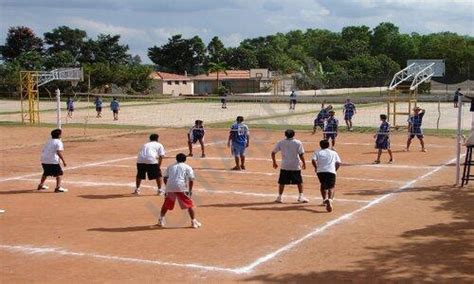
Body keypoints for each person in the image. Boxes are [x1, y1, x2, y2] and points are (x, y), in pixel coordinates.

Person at [158, 153, 201, 229]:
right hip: (181, 186)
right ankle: (193, 221)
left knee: (166, 204)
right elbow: (191, 179)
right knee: (189, 204)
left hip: (170, 186)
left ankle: (161, 220)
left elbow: (165, 178)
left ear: (176, 159)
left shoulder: (170, 166)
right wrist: (190, 190)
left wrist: (168, 187)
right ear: (185, 160)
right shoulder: (188, 167)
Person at [271, 129, 308, 203]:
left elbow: (273, 152)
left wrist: (274, 162)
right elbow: (301, 154)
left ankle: (280, 197)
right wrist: (304, 163)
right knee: (299, 181)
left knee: (282, 182)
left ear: (285, 135)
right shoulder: (298, 142)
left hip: (285, 165)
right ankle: (301, 196)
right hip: (295, 165)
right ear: (294, 134)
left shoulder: (281, 142)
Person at [311, 139, 341, 212]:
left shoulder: (317, 152)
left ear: (320, 145)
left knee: (323, 185)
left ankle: (324, 200)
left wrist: (316, 167)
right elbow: (338, 163)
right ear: (328, 145)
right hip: (331, 171)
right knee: (331, 186)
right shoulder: (333, 153)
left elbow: (313, 160)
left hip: (320, 171)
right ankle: (330, 199)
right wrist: (335, 169)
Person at [37, 129, 68, 193]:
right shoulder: (58, 142)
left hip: (44, 159)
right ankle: (58, 187)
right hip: (52, 160)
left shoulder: (48, 141)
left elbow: (44, 150)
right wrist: (64, 161)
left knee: (46, 172)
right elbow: (58, 152)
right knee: (59, 174)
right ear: (59, 135)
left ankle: (41, 185)